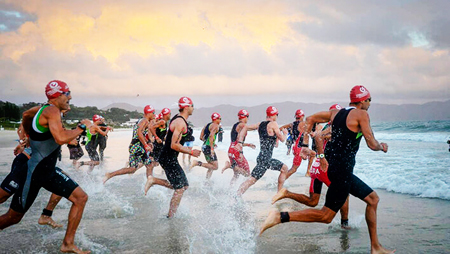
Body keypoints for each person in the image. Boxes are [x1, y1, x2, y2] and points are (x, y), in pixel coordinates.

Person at [260, 86, 395, 254]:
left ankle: (375, 247)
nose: (369, 103)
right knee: (326, 216)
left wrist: (304, 144)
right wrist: (381, 147)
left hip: (337, 169)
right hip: (342, 172)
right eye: (369, 100)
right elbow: (371, 143)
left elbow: (309, 119)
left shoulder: (335, 113)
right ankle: (280, 217)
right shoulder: (362, 114)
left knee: (373, 199)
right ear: (362, 100)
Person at [0, 80, 91, 253]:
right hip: (32, 171)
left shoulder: (48, 110)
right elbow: (60, 138)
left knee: (80, 198)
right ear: (57, 95)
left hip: (47, 172)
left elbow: (27, 115)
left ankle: (67, 243)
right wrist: (82, 127)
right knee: (12, 217)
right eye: (67, 93)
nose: (70, 96)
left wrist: (28, 138)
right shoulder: (51, 110)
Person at [272, 104, 351, 229]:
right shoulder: (332, 127)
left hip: (316, 166)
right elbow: (322, 135)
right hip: (324, 167)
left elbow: (315, 134)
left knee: (312, 201)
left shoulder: (322, 126)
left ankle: (286, 193)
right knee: (343, 193)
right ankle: (345, 224)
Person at [144, 97, 201, 218]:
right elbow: (174, 145)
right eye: (192, 105)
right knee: (179, 189)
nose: (193, 108)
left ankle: (154, 180)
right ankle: (170, 216)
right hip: (168, 158)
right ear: (186, 107)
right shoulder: (180, 122)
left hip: (169, 157)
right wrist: (191, 152)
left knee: (184, 186)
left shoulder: (179, 119)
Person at [236, 106, 289, 196]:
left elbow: (245, 127)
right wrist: (285, 134)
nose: (277, 117)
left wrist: (240, 142)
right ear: (274, 115)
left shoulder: (260, 124)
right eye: (277, 115)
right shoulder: (274, 124)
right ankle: (279, 194)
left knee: (252, 180)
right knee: (252, 180)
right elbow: (283, 139)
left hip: (262, 157)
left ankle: (237, 194)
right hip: (266, 159)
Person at [103, 105, 156, 184]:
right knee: (150, 164)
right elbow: (138, 133)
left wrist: (147, 142)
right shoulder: (144, 120)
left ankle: (110, 175)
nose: (154, 115)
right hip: (137, 146)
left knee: (132, 169)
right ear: (148, 113)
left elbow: (138, 134)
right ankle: (149, 183)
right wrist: (145, 145)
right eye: (153, 113)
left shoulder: (141, 120)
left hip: (134, 146)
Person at [221, 109, 256, 185]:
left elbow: (236, 141)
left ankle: (230, 190)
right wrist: (262, 126)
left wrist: (248, 145)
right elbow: (251, 128)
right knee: (247, 173)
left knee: (236, 174)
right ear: (245, 117)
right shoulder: (242, 125)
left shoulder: (235, 125)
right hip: (236, 152)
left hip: (231, 150)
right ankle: (230, 165)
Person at [190, 112, 222, 179]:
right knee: (215, 167)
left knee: (211, 166)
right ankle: (197, 163)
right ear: (216, 119)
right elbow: (211, 136)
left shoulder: (207, 125)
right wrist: (212, 148)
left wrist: (212, 143)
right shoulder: (216, 125)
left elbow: (201, 137)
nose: (220, 120)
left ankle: (207, 181)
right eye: (220, 119)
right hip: (208, 147)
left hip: (204, 146)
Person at [146, 108, 171, 176]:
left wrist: (164, 138)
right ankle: (150, 176)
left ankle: (151, 175)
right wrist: (156, 137)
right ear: (166, 114)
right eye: (169, 113)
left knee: (157, 162)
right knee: (158, 161)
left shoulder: (164, 122)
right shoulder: (162, 122)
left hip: (160, 144)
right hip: (157, 145)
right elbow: (151, 128)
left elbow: (160, 133)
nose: (170, 115)